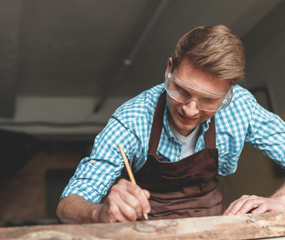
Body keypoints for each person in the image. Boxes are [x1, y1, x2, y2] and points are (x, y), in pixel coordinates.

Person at [56, 25, 285, 223]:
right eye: (182, 91)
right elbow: (67, 206)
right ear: (169, 69)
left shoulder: (241, 107)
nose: (190, 109)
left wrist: (279, 201)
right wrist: (99, 214)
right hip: (149, 231)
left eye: (208, 100)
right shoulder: (131, 120)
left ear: (228, 93)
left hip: (215, 227)